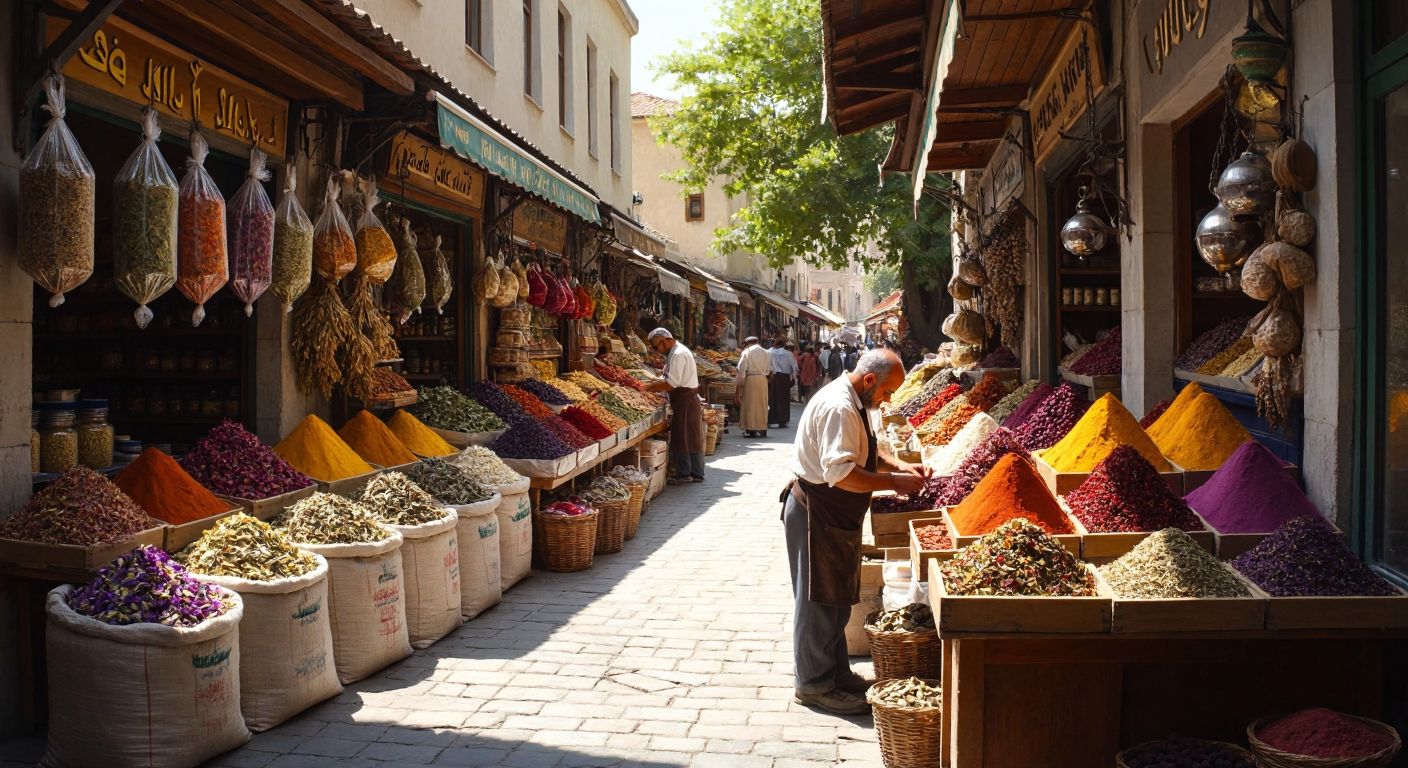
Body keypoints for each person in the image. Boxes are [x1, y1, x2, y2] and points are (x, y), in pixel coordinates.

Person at [782, 349, 929, 715]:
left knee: (834, 600)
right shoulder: (840, 408)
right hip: (817, 512)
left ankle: (834, 673)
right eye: (887, 392)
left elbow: (865, 454)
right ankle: (814, 685)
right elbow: (843, 473)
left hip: (834, 515)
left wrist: (900, 467)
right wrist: (893, 482)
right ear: (869, 381)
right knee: (817, 602)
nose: (888, 400)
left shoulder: (857, 402)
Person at [645, 328, 706, 485]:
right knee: (692, 436)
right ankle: (696, 472)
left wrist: (648, 388)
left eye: (656, 346)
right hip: (686, 399)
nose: (656, 350)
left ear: (666, 340)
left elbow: (672, 383)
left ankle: (684, 473)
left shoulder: (678, 354)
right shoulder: (678, 351)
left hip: (685, 400)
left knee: (683, 437)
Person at [736, 336, 772, 437]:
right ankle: (762, 428)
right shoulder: (767, 352)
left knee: (750, 404)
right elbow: (769, 368)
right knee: (762, 404)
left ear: (747, 343)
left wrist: (740, 383)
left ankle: (751, 429)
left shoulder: (747, 352)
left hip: (750, 379)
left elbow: (742, 368)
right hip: (762, 380)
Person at [768, 338, 799, 429]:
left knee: (772, 399)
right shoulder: (788, 354)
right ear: (783, 345)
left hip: (772, 377)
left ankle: (771, 420)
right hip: (784, 378)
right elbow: (794, 367)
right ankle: (782, 420)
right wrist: (794, 378)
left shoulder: (769, 352)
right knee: (783, 399)